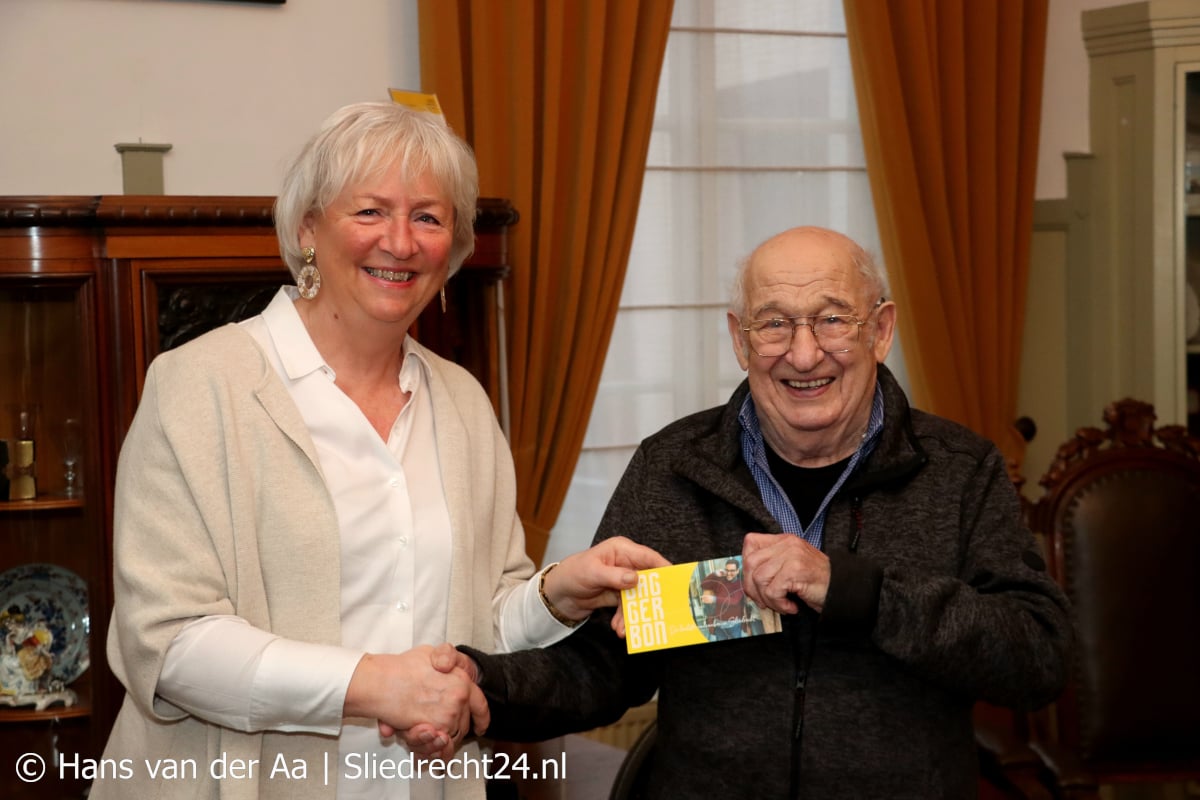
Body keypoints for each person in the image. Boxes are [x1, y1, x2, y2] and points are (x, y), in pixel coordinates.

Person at [92, 101, 665, 800]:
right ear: (308, 228)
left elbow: (478, 620)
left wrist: (554, 595)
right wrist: (375, 685)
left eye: (428, 217)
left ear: (452, 248)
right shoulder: (198, 387)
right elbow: (169, 644)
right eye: (369, 212)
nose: (400, 241)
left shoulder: (462, 402)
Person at [447, 226, 1074, 799]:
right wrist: (480, 685)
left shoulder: (960, 470)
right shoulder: (673, 467)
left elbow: (1037, 657)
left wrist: (846, 587)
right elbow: (599, 671)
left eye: (832, 319)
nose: (803, 356)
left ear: (880, 331)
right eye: (773, 324)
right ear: (739, 339)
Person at [697, 559, 747, 640]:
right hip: (719, 626)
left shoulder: (740, 584)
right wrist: (715, 574)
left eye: (732, 571)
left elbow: (734, 601)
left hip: (734, 626)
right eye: (727, 570)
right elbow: (703, 585)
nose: (729, 573)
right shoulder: (720, 580)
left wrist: (714, 599)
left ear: (737, 571)